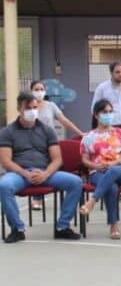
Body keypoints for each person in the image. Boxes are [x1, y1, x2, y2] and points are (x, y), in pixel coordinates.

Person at [0, 92, 83, 243]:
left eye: (34, 107)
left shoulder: (47, 130)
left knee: (76, 182)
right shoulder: (7, 132)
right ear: (19, 108)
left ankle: (62, 227)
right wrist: (25, 173)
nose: (32, 111)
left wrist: (45, 174)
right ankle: (17, 229)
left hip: (45, 172)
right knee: (4, 185)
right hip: (19, 174)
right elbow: (6, 161)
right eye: (28, 108)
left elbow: (57, 159)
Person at [79, 100, 121, 240]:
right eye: (104, 112)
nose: (108, 115)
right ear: (96, 115)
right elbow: (85, 160)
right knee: (112, 187)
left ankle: (92, 201)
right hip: (98, 172)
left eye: (110, 112)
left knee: (113, 171)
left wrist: (115, 163)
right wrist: (96, 166)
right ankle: (114, 225)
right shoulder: (88, 137)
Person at [29, 80, 85, 209]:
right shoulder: (29, 107)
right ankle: (37, 198)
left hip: (50, 143)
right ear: (31, 91)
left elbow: (64, 120)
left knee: (56, 166)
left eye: (41, 89)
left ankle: (65, 195)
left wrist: (80, 133)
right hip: (34, 144)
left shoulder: (51, 106)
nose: (39, 92)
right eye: (36, 89)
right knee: (37, 167)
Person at [91, 61, 121, 133]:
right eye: (117, 72)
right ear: (111, 73)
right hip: (108, 125)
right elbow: (94, 108)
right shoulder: (102, 88)